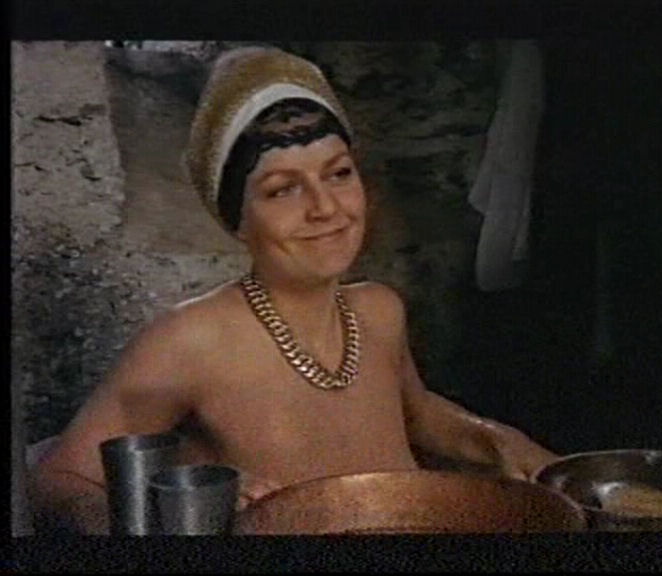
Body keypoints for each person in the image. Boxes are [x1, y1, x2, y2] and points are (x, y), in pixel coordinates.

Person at [30, 46, 558, 535]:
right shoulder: (191, 340)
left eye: (338, 174)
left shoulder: (380, 309)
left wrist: (492, 439)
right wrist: (178, 513)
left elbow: (415, 411)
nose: (325, 208)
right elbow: (59, 478)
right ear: (238, 219)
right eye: (283, 189)